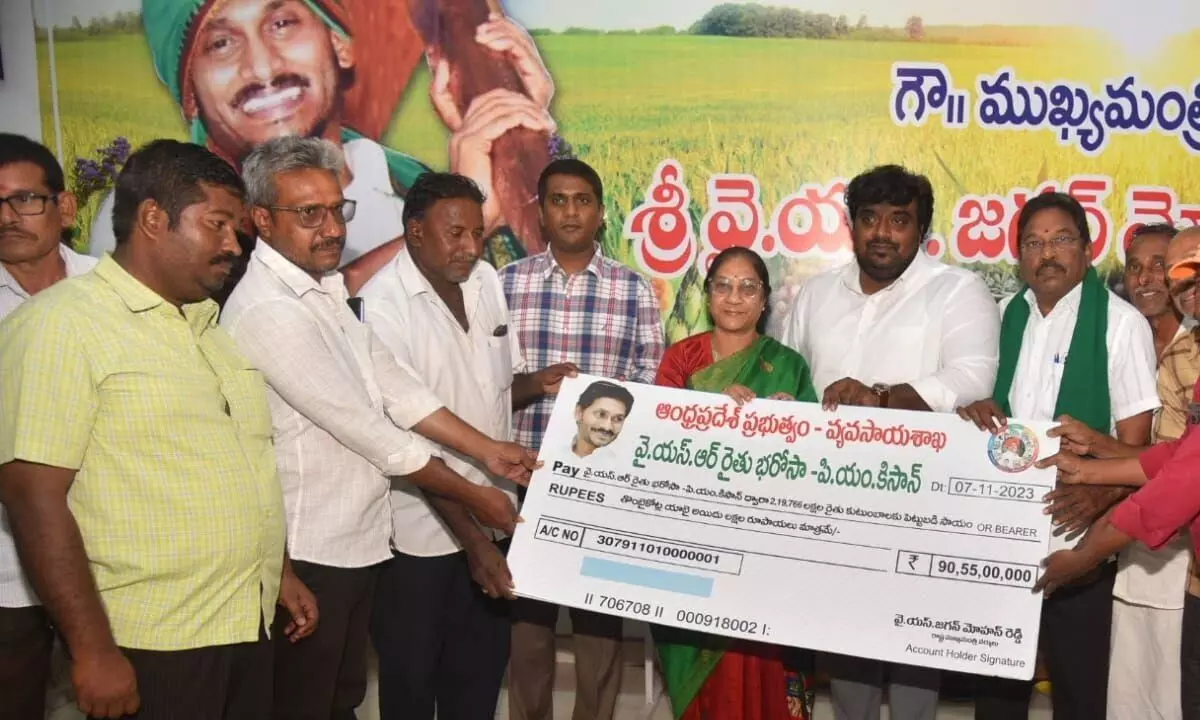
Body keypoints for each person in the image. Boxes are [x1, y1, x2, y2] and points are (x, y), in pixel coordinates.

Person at [221, 137, 533, 719]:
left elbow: (397, 388)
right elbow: (375, 433)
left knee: (342, 697)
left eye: (338, 209)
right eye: (309, 214)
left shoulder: (323, 291)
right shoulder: (270, 311)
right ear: (260, 220)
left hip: (357, 542)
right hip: (308, 550)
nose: (332, 228)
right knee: (305, 702)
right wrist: (475, 495)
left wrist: (488, 451)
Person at [0, 139, 302, 719]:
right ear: (154, 219)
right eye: (217, 225)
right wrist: (93, 651)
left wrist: (278, 573)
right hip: (152, 641)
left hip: (243, 620)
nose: (233, 245)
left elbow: (240, 463)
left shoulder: (206, 324)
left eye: (235, 230)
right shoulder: (61, 326)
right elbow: (34, 500)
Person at [89, 0, 555, 272]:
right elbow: (276, 337)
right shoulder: (155, 212)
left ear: (339, 44)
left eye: (282, 24)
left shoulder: (406, 186)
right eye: (221, 44)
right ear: (190, 93)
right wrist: (458, 221)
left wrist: (514, 139)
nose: (264, 67)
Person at [781, 164, 999, 720]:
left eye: (898, 220)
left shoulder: (957, 289)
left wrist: (879, 398)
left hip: (919, 505)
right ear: (851, 226)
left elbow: (972, 379)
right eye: (869, 218)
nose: (882, 232)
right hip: (830, 502)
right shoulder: (816, 293)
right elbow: (789, 377)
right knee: (848, 654)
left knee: (913, 663)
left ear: (921, 230)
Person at [357, 171, 575, 720]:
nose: (470, 247)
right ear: (414, 232)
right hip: (421, 537)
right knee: (411, 685)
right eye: (455, 234)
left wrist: (539, 383)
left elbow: (490, 389)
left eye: (477, 233)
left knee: (477, 681)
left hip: (496, 516)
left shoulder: (485, 282)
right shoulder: (383, 306)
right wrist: (474, 541)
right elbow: (404, 435)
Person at [957, 192, 1159, 720]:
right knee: (996, 697)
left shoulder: (1120, 324)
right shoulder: (1004, 317)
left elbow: (1139, 451)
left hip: (1081, 539)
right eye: (1033, 242)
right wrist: (976, 410)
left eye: (1061, 239)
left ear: (1088, 250)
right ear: (1018, 256)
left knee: (1079, 692)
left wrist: (1101, 493)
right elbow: (986, 413)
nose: (1047, 253)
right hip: (1001, 538)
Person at [501, 158, 666, 720]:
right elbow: (486, 384)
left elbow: (652, 387)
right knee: (528, 626)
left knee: (599, 623)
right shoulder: (505, 286)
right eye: (557, 200)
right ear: (540, 212)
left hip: (604, 483)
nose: (570, 211)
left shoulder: (633, 291)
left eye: (582, 201)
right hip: (527, 478)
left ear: (600, 211)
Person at [1030, 226, 1200, 717]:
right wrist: (1090, 465)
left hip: (1152, 533)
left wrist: (1084, 555)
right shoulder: (1136, 334)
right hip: (1160, 552)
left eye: (1191, 273)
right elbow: (1173, 456)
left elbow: (1180, 481)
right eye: (1179, 276)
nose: (1171, 283)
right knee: (1139, 689)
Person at [654, 245, 817, 720]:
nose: (734, 297)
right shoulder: (681, 360)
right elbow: (657, 443)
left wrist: (793, 422)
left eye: (749, 287)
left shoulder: (788, 366)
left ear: (765, 301)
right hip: (696, 539)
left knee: (762, 666)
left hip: (767, 547)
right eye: (723, 285)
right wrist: (707, 403)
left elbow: (813, 465)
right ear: (708, 296)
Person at [0, 133, 97, 720]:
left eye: (25, 200)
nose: (7, 217)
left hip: (112, 548)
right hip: (9, 561)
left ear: (65, 208)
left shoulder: (111, 287)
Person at [1108, 223, 1190, 720]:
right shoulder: (1122, 336)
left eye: (1159, 265)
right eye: (1135, 267)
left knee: (1178, 678)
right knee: (1131, 674)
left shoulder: (1194, 344)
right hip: (1131, 536)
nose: (1145, 279)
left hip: (1186, 544)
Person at [570, 381, 635, 460]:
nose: (607, 427)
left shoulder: (619, 464)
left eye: (618, 419)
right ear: (579, 412)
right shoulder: (553, 450)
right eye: (601, 414)